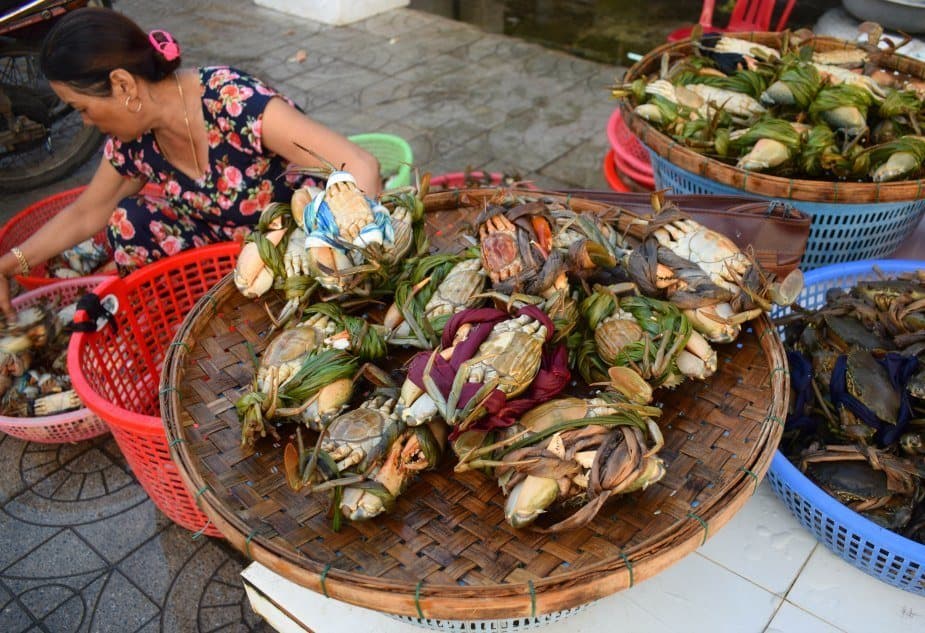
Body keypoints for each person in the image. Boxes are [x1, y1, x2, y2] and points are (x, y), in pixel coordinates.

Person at [0, 6, 381, 319]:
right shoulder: (133, 143)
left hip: (297, 255)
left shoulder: (233, 102)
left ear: (123, 85)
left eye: (82, 108)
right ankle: (190, 328)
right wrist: (9, 264)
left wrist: (350, 252)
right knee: (130, 220)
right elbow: (86, 213)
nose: (84, 121)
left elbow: (358, 165)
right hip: (221, 264)